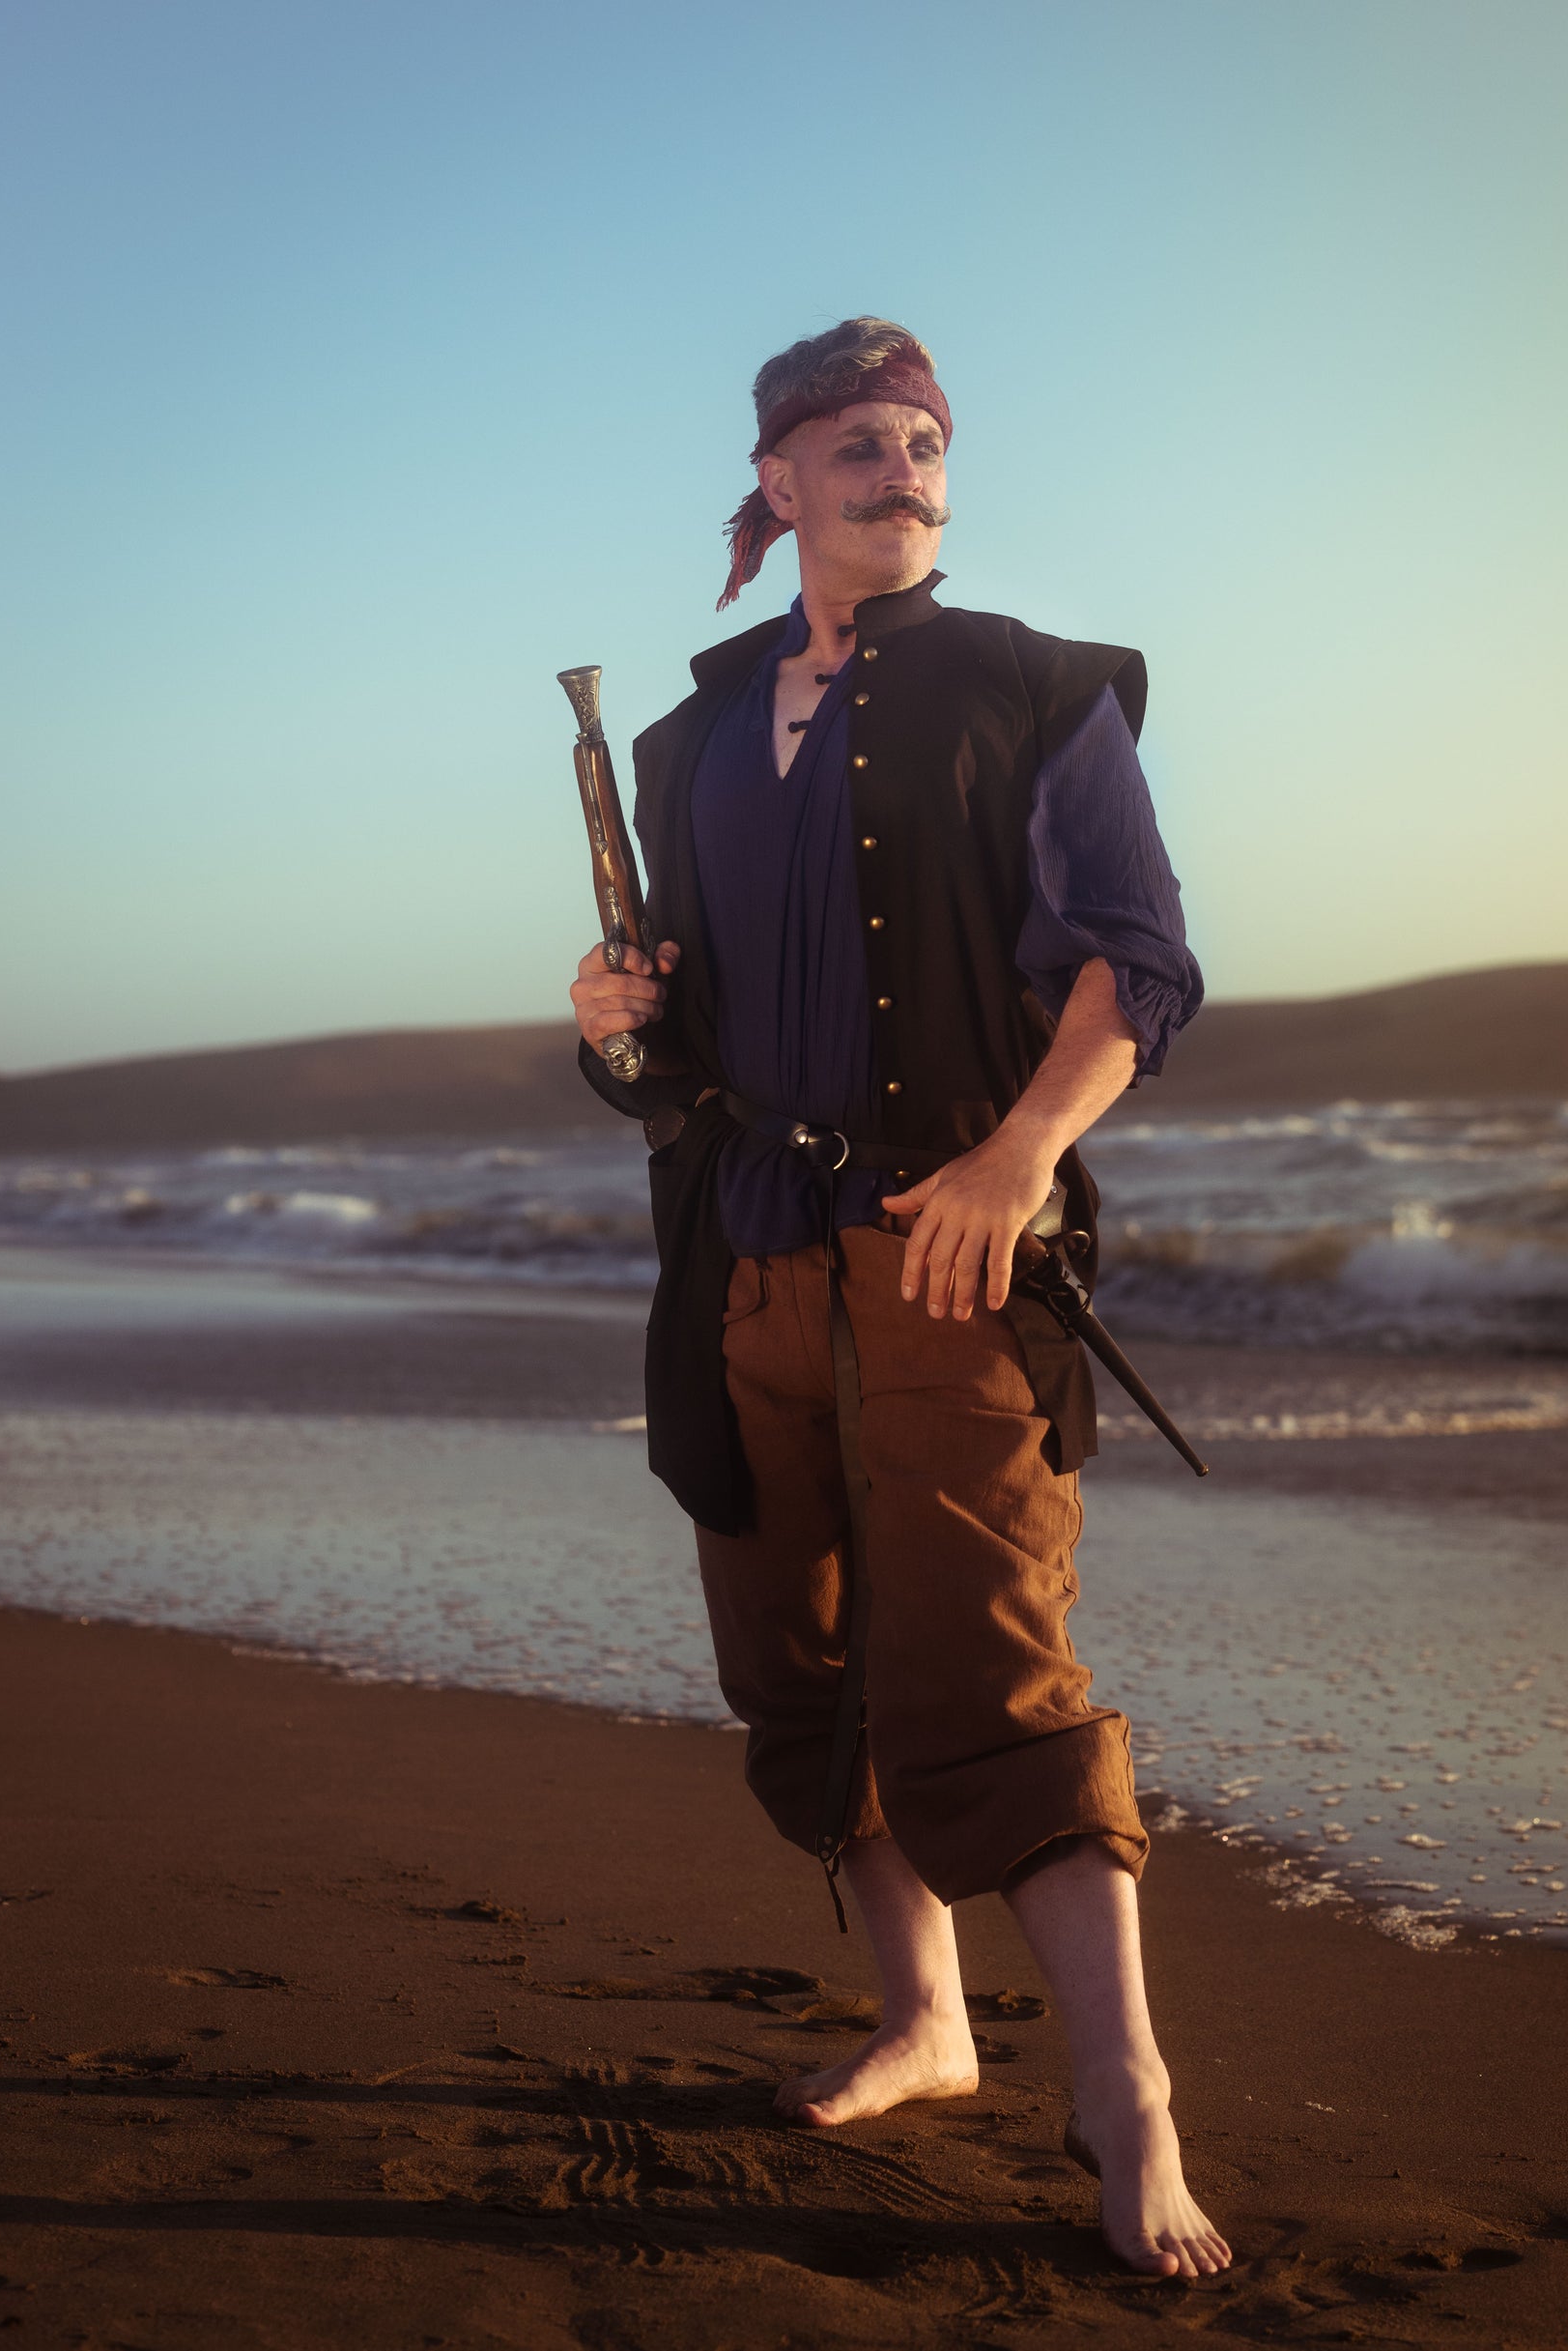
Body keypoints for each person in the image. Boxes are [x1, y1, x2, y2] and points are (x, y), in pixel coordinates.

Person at [569, 318, 1227, 2280]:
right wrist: (610, 1020)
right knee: (801, 1662)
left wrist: (1022, 1155)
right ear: (778, 483)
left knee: (994, 1672)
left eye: (924, 438)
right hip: (742, 1251)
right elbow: (664, 1036)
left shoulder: (1033, 693)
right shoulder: (688, 738)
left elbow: (1138, 958)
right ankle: (923, 2018)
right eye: (857, 441)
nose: (901, 464)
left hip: (954, 1241)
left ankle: (1128, 2103)